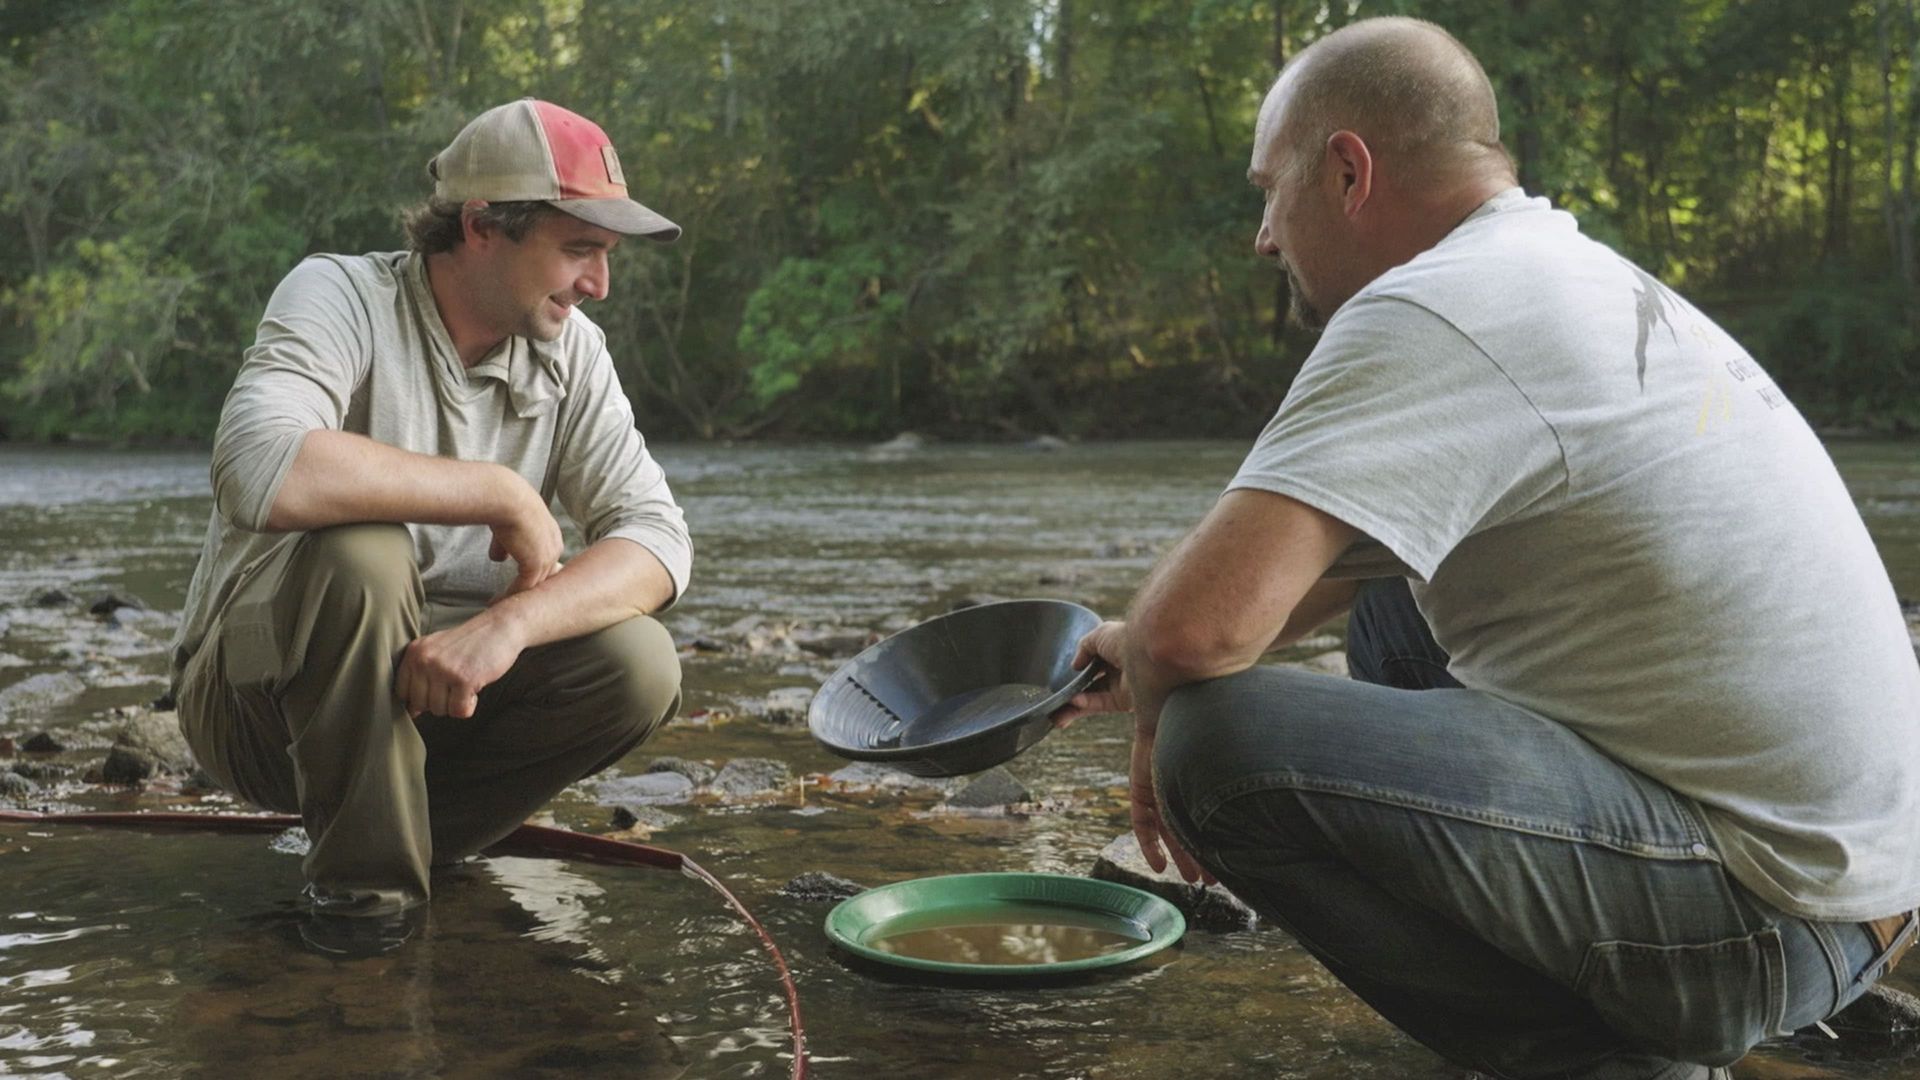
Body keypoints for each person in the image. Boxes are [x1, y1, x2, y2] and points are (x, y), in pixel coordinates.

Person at [1059, 17, 1920, 1080]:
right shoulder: (1561, 273)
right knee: (1391, 602)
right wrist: (1130, 638)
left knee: (1215, 747)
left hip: (1765, 921)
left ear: (1345, 172)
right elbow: (1315, 574)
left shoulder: (1433, 307)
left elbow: (1194, 638)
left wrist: (1153, 709)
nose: (1263, 236)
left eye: (1266, 189)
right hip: (1865, 889)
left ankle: (1589, 1058)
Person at [170, 98, 692, 954]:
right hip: (256, 706)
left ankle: (403, 837)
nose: (598, 284)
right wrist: (498, 491)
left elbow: (659, 542)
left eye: (605, 256)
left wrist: (509, 625)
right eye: (578, 249)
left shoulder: (574, 351)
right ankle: (366, 910)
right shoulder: (338, 292)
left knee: (639, 662)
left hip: (432, 703)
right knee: (363, 548)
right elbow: (256, 462)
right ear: (482, 225)